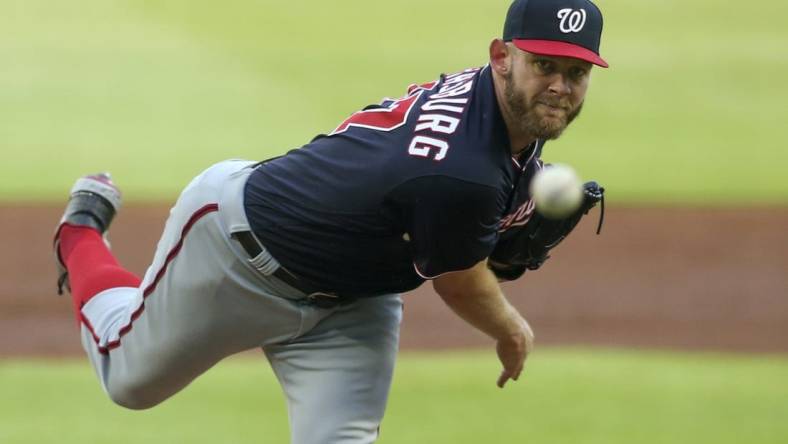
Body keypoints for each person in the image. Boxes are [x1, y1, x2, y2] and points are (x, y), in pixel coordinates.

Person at [52, 0, 607, 442]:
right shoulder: (463, 174)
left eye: (575, 72)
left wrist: (501, 222)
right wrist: (510, 328)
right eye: (544, 65)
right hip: (237, 253)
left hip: (354, 300)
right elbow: (459, 279)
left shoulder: (495, 113)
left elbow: (461, 220)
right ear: (501, 56)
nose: (559, 86)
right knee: (127, 380)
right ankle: (80, 230)